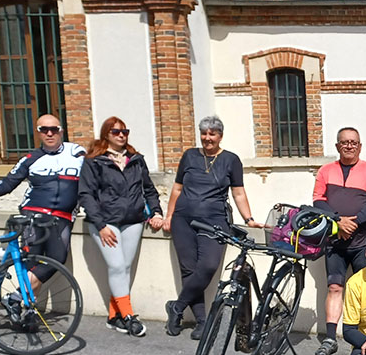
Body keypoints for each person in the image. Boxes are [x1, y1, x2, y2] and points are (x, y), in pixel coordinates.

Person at [0, 113, 84, 290]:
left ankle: (17, 297)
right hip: (33, 214)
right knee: (30, 261)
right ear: (38, 133)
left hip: (62, 217)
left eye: (54, 129)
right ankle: (23, 307)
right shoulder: (30, 158)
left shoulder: (78, 153)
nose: (49, 133)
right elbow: (8, 182)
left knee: (57, 260)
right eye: (44, 130)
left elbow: (96, 179)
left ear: (61, 131)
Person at [162, 115, 260, 340]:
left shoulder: (231, 160)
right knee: (188, 269)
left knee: (208, 266)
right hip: (183, 219)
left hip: (214, 221)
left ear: (220, 136)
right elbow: (177, 189)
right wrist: (169, 216)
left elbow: (238, 192)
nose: (207, 138)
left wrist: (249, 219)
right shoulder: (189, 155)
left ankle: (177, 306)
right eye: (204, 133)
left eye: (212, 134)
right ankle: (202, 321)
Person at [77, 116, 164, 337]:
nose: (122, 135)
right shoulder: (94, 160)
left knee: (124, 267)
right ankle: (128, 316)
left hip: (133, 220)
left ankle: (113, 316)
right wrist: (101, 224)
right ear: (106, 134)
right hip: (106, 222)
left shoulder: (135, 159)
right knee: (116, 266)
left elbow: (149, 189)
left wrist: (156, 211)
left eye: (124, 131)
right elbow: (86, 195)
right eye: (116, 132)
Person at [311, 126, 366, 355]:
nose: (349, 145)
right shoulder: (325, 171)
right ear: (337, 146)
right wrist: (338, 221)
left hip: (363, 243)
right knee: (334, 287)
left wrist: (354, 222)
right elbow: (318, 201)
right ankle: (330, 338)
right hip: (334, 242)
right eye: (344, 142)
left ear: (360, 146)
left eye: (353, 142)